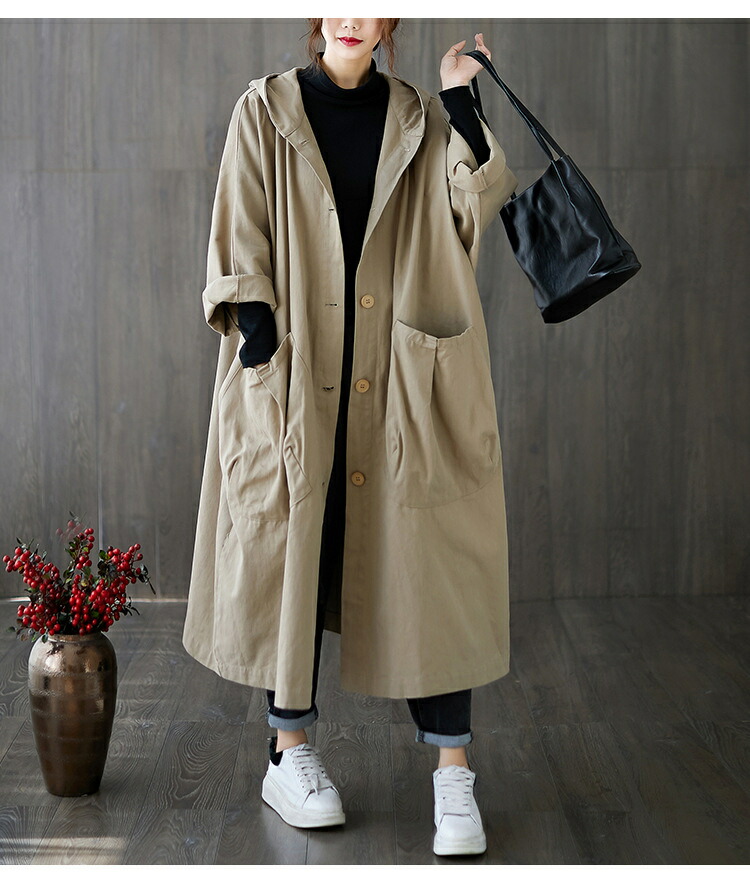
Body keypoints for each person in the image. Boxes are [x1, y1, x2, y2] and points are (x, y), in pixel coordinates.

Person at [183, 17, 518, 858]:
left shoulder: (422, 117)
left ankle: (453, 772)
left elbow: (474, 209)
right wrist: (262, 351)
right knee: (290, 557)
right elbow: (239, 237)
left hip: (403, 382)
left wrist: (460, 99)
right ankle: (287, 749)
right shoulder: (263, 111)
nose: (350, 14)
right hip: (297, 380)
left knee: (432, 566)